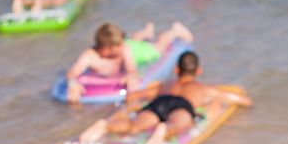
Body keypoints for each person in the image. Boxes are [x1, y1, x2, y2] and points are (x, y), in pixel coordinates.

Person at [78, 51, 252, 144]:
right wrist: (242, 100)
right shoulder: (202, 88)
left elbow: (135, 96)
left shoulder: (165, 84)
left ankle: (106, 126)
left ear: (176, 70)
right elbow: (240, 100)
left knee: (134, 126)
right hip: (182, 105)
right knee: (176, 124)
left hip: (159, 102)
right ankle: (164, 129)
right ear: (198, 71)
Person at [65, 22, 195, 105]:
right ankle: (145, 33)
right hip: (132, 48)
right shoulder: (90, 56)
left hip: (138, 53)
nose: (123, 46)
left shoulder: (124, 48)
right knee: (133, 42)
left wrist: (130, 75)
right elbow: (72, 72)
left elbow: (131, 68)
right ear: (106, 49)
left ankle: (174, 31)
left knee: (158, 49)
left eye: (122, 44)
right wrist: (72, 83)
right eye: (119, 45)